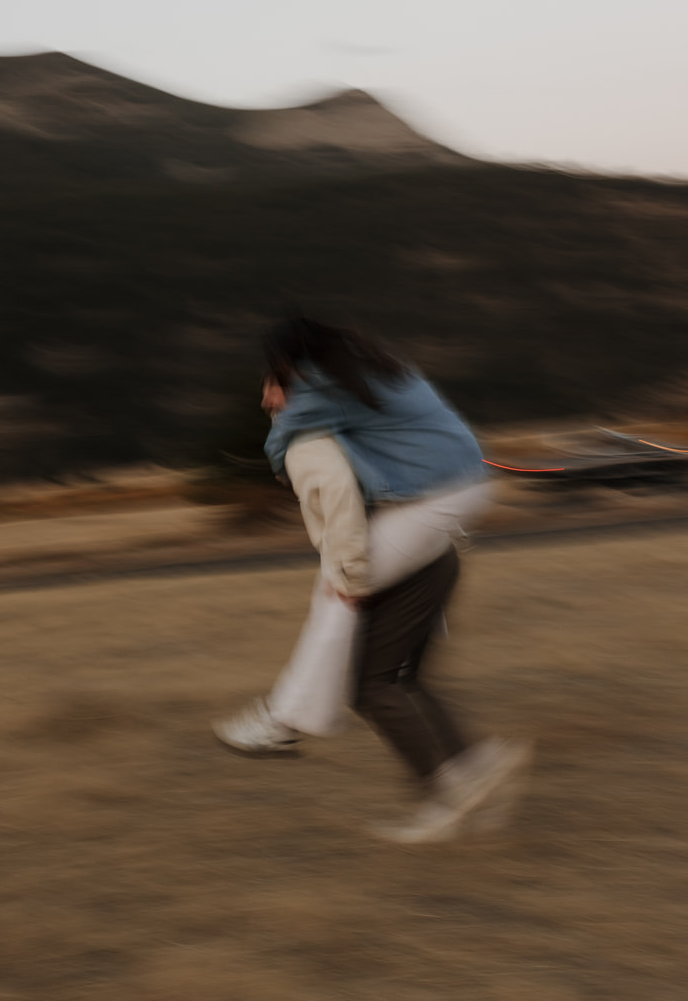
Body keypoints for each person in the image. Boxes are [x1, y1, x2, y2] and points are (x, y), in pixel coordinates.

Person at [213, 317, 530, 843]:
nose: (270, 394)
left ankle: (285, 719)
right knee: (399, 671)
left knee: (340, 586)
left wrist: (281, 415)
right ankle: (475, 765)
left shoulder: (318, 387)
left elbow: (282, 446)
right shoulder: (378, 371)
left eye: (274, 377)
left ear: (293, 362)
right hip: (461, 494)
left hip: (436, 502)